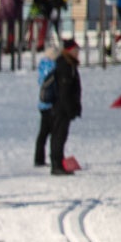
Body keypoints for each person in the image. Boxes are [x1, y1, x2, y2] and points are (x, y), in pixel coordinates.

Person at [36, 39, 81, 173]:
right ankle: (56, 165)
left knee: (57, 135)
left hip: (59, 107)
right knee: (57, 136)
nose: (77, 53)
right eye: (75, 50)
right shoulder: (65, 65)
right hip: (60, 108)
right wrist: (69, 108)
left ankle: (57, 162)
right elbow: (64, 91)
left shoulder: (68, 64)